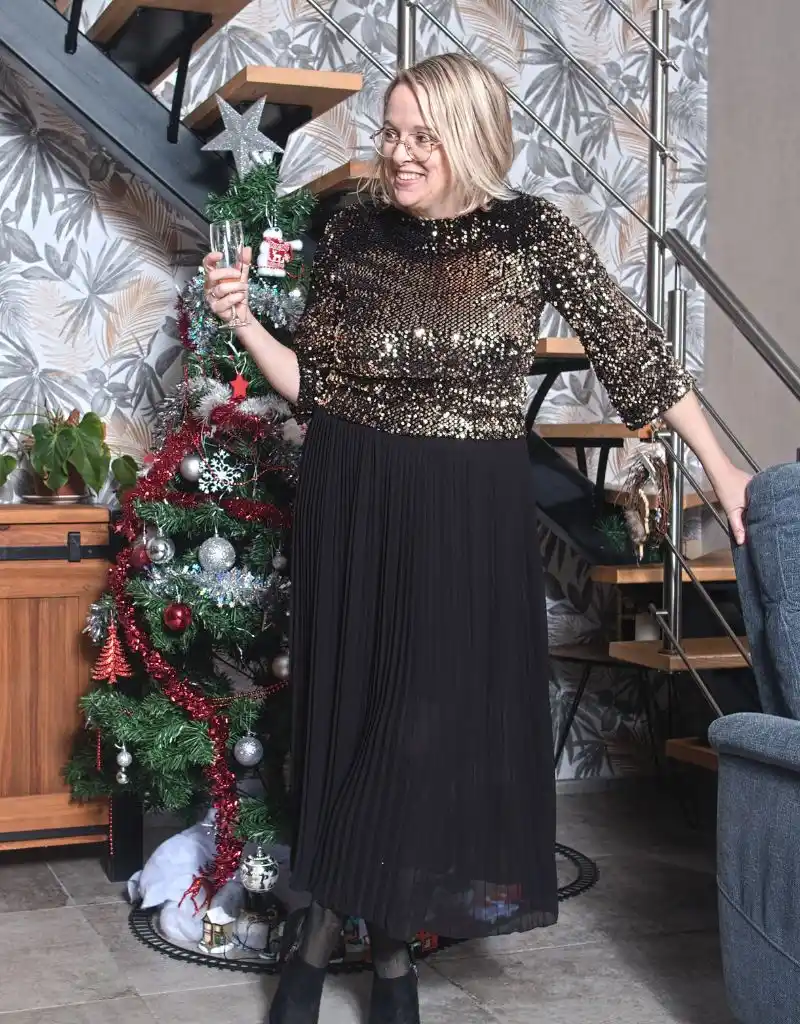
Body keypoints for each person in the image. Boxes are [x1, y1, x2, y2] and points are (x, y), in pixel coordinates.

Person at [203, 52, 750, 1024]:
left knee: (418, 732)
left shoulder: (529, 231)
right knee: (348, 721)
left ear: (469, 136)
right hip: (351, 495)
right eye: (390, 132)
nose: (399, 154)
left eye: (423, 135)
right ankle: (387, 967)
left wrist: (721, 465)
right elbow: (314, 387)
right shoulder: (352, 227)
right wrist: (245, 322)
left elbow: (633, 351)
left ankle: (321, 944)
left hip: (464, 512)